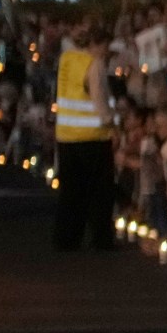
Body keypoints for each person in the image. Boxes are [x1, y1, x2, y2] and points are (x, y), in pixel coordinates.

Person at [52, 23, 116, 252]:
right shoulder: (94, 64)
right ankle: (101, 238)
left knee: (70, 191)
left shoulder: (67, 59)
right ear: (97, 45)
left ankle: (66, 238)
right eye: (105, 47)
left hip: (66, 135)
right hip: (93, 137)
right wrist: (112, 122)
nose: (106, 53)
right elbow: (99, 101)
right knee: (99, 191)